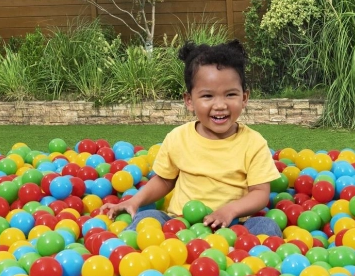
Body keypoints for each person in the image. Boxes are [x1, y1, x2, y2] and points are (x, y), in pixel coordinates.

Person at [102, 39, 283, 238]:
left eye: (230, 94)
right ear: (189, 101)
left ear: (244, 98)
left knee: (266, 226)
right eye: (208, 96)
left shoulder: (253, 143)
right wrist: (134, 201)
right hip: (180, 226)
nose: (220, 105)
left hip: (232, 227)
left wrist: (230, 210)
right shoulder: (178, 138)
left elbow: (260, 193)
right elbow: (163, 181)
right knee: (148, 218)